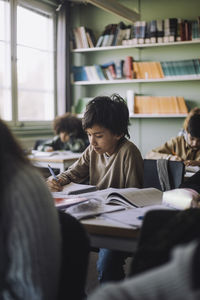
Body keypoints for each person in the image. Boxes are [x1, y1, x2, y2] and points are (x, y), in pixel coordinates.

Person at [47, 94, 144, 283]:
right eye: (89, 135)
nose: (92, 142)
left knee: (106, 264)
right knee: (64, 246)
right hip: (96, 216)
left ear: (118, 133)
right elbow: (72, 173)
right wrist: (55, 179)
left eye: (98, 136)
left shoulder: (129, 152)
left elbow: (136, 196)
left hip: (118, 223)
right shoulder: (92, 150)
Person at [0, 119, 61, 300]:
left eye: (97, 135)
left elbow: (31, 291)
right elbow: (75, 170)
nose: (92, 141)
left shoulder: (22, 186)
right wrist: (60, 179)